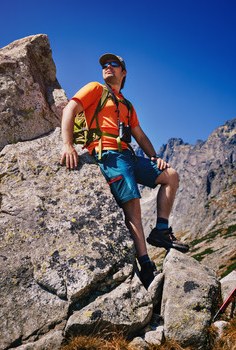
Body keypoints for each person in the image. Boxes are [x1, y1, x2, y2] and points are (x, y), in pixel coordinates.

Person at [60, 53, 189, 289]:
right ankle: (145, 264)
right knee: (134, 207)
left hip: (127, 154)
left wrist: (154, 157)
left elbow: (139, 135)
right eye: (104, 65)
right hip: (108, 154)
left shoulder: (126, 104)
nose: (107, 67)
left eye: (113, 64)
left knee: (171, 175)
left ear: (123, 72)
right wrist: (67, 144)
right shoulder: (95, 88)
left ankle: (161, 231)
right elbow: (70, 109)